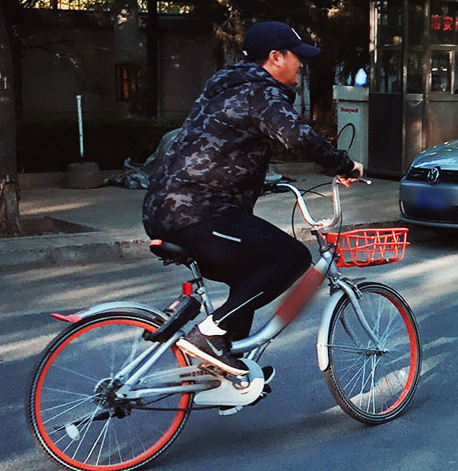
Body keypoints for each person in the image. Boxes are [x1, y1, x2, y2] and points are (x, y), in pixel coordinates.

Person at [143, 21, 363, 377]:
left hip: (170, 207)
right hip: (196, 212)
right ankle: (209, 335)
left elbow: (224, 147)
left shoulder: (227, 87)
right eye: (297, 57)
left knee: (249, 271)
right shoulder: (261, 93)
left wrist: (263, 183)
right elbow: (300, 138)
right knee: (292, 257)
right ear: (275, 57)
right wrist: (345, 165)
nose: (300, 65)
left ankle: (226, 374)